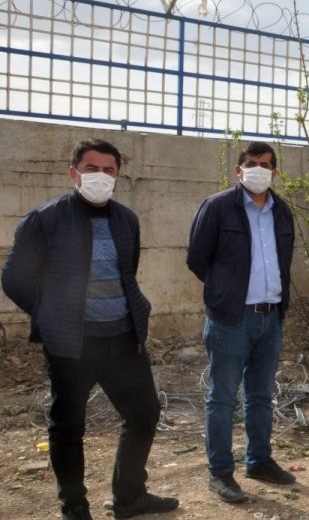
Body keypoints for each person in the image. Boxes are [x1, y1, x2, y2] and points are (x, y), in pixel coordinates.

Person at [2, 139, 178, 520]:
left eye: (109, 170)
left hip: (122, 339)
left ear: (118, 176)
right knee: (69, 426)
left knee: (144, 413)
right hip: (72, 344)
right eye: (91, 169)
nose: (101, 176)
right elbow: (14, 277)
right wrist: (50, 314)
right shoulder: (44, 220)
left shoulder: (126, 219)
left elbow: (126, 272)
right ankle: (74, 506)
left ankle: (129, 497)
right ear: (74, 173)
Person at [187, 142, 297, 503]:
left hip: (270, 318)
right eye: (251, 164)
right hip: (231, 319)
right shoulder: (218, 206)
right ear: (239, 170)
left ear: (275, 171)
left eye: (266, 164)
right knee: (222, 398)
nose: (259, 169)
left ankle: (259, 460)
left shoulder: (282, 211)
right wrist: (223, 292)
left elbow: (284, 260)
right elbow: (196, 259)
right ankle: (220, 472)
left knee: (261, 396)